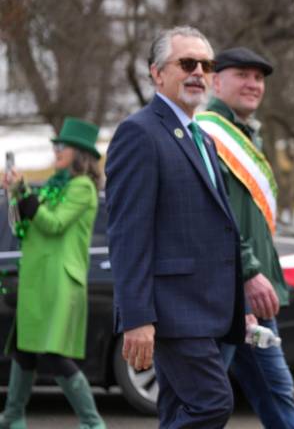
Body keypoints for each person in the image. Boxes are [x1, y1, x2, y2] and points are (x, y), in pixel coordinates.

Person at [105, 26, 245, 428]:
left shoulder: (203, 137)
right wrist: (135, 318)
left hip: (210, 308)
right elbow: (128, 234)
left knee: (177, 409)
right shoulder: (139, 133)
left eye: (206, 64)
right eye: (187, 63)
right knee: (212, 404)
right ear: (156, 73)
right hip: (174, 311)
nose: (198, 71)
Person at [196, 47, 294, 429]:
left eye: (259, 78)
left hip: (251, 295)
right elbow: (215, 217)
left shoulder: (247, 137)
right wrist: (247, 272)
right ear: (216, 80)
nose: (253, 84)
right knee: (204, 406)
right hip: (226, 293)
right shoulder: (207, 135)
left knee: (276, 396)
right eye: (242, 74)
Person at [0, 117, 105, 428]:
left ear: (79, 154)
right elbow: (26, 226)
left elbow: (53, 224)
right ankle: (13, 415)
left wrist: (26, 193)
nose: (56, 150)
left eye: (63, 146)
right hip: (36, 279)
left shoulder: (82, 188)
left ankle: (92, 422)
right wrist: (16, 193)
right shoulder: (53, 186)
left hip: (58, 281)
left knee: (51, 352)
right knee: (24, 348)